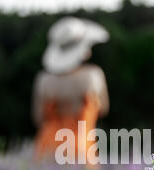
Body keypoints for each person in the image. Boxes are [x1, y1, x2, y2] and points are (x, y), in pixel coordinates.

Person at [32, 16, 110, 162]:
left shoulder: (43, 80)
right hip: (80, 149)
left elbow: (38, 119)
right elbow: (103, 109)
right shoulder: (93, 76)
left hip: (46, 149)